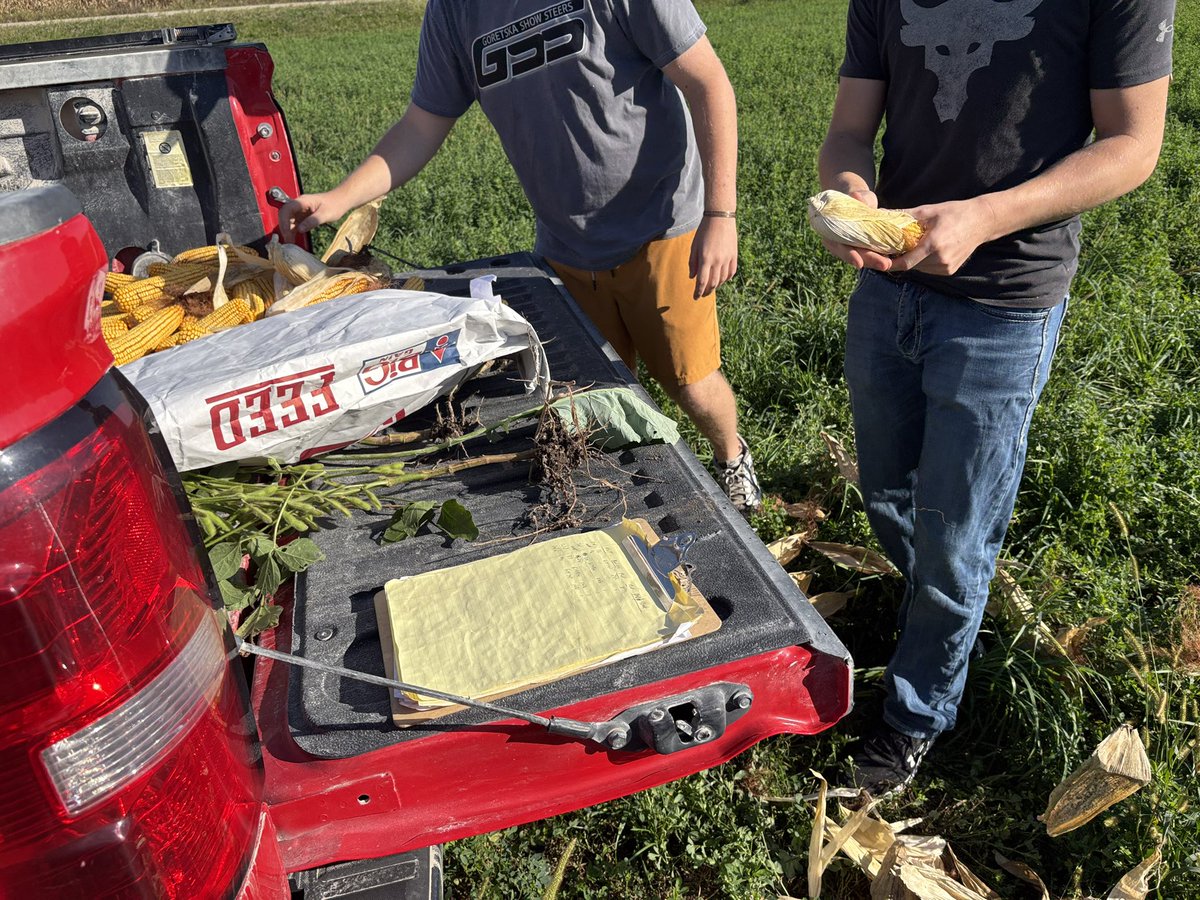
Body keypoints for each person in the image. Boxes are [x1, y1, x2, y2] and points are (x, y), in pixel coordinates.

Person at [818, 0, 1175, 796]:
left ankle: (918, 712)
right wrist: (848, 200)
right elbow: (849, 131)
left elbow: (1133, 144)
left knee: (955, 530)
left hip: (1006, 299)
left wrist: (985, 217)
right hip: (890, 286)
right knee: (887, 488)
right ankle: (937, 617)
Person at [278, 0, 762, 514]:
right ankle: (633, 494)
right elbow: (422, 124)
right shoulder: (454, 12)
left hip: (664, 225)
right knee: (594, 392)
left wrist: (720, 217)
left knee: (690, 382)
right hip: (566, 243)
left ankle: (732, 457)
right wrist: (338, 199)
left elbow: (709, 83)